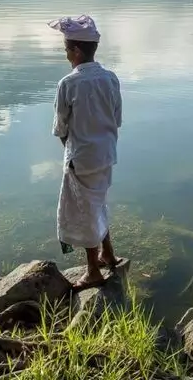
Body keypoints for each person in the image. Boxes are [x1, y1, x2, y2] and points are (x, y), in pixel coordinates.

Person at [48, 14, 124, 290]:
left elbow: (60, 127)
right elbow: (116, 118)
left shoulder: (68, 84)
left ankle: (93, 270)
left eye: (67, 50)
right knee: (98, 201)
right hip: (106, 154)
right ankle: (108, 252)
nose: (67, 55)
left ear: (77, 51)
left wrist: (70, 150)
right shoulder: (111, 79)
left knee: (84, 210)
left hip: (81, 157)